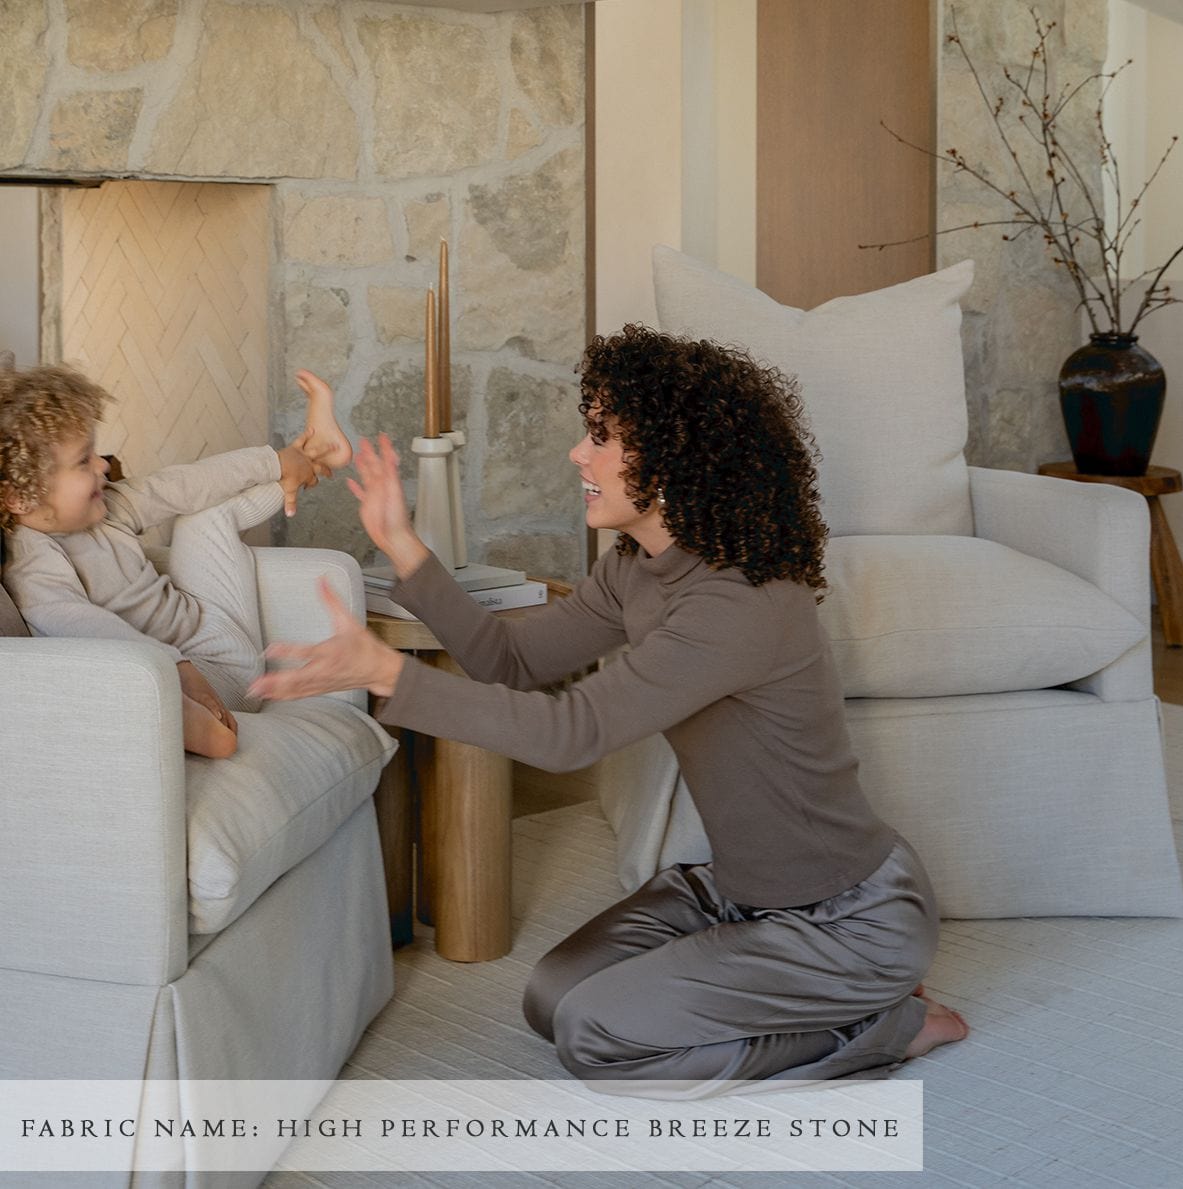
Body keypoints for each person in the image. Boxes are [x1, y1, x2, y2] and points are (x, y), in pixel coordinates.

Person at [250, 324, 968, 1094]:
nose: (577, 454)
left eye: (600, 435)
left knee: (593, 1036)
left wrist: (390, 672)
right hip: (736, 894)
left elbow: (572, 733)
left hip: (848, 918)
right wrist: (403, 547)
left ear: (674, 458)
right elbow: (513, 661)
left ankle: (886, 1024)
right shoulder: (637, 569)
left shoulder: (740, 603)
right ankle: (797, 984)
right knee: (550, 998)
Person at [0, 363, 352, 758]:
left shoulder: (110, 505)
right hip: (192, 678)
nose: (102, 465)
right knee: (147, 684)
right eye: (83, 461)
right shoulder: (31, 560)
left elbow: (186, 483)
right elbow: (79, 624)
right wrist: (175, 666)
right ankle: (191, 724)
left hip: (216, 639)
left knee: (199, 510)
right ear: (20, 497)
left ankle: (306, 457)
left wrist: (275, 462)